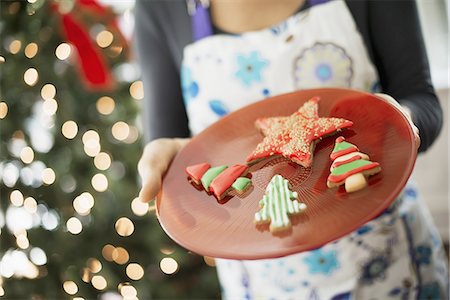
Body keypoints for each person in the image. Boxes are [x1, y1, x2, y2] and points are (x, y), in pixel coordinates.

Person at [134, 0, 448, 298]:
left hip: (392, 265)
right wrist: (170, 170)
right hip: (263, 286)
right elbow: (166, 153)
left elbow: (424, 104)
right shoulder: (160, 7)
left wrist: (401, 122)